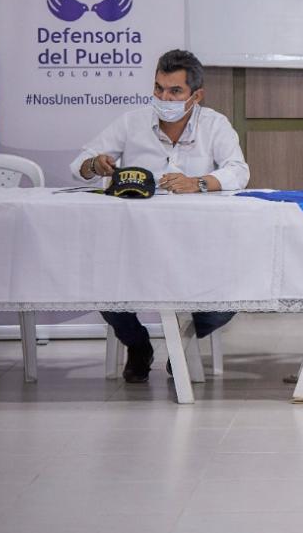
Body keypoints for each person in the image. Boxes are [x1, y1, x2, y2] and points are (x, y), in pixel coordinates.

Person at [70, 49, 250, 383]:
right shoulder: (132, 122)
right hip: (136, 241)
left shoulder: (215, 124)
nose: (163, 97)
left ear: (196, 96)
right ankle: (138, 346)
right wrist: (94, 165)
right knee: (106, 289)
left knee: (229, 301)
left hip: (198, 244)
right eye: (158, 88)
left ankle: (179, 342)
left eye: (174, 91)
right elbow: (80, 164)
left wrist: (198, 183)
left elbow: (239, 172)